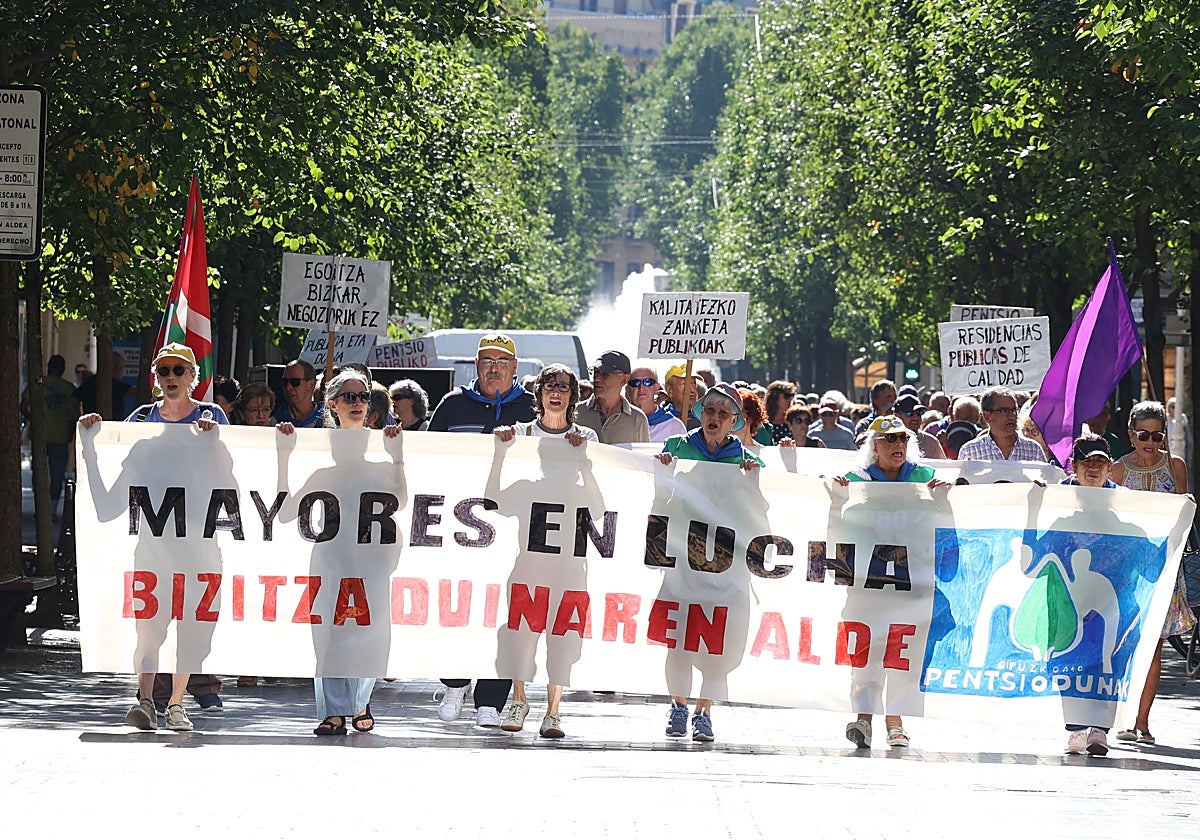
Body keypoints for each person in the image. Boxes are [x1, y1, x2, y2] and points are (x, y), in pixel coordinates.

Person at [79, 342, 228, 732]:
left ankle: (176, 704)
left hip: (199, 549)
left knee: (192, 630)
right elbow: (108, 506)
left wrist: (214, 444)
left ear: (193, 376)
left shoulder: (212, 417)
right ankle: (145, 701)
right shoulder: (140, 421)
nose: (171, 377)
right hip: (152, 547)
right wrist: (90, 448)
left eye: (179, 370)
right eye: (164, 370)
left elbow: (232, 478)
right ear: (155, 377)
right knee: (148, 629)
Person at [278, 368, 401, 735]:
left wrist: (398, 459)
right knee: (328, 632)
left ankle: (360, 700)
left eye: (364, 396)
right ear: (333, 404)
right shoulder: (318, 455)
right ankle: (332, 710)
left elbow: (401, 500)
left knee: (369, 630)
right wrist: (284, 457)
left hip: (371, 556)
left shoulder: (384, 449)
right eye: (349, 397)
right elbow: (285, 512)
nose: (358, 403)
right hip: (330, 556)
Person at [427, 333, 536, 726]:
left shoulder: (530, 407)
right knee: (459, 603)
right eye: (487, 361)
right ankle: (455, 684)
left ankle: (491, 699)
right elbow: (428, 458)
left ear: (514, 367)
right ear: (476, 366)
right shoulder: (452, 404)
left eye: (502, 362)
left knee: (504, 611)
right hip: (460, 527)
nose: (494, 368)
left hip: (511, 530)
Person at [654, 383, 764, 742]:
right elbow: (659, 501)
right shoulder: (677, 448)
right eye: (709, 411)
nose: (714, 418)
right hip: (684, 564)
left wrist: (753, 483)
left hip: (725, 571)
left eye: (723, 413)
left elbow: (760, 514)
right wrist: (662, 474)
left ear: (734, 422)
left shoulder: (748, 460)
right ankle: (678, 706)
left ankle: (704, 711)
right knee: (678, 642)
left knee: (718, 646)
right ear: (700, 413)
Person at [493, 364, 597, 738]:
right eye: (549, 385)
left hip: (571, 562)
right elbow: (493, 501)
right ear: (537, 393)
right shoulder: (520, 435)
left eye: (564, 387)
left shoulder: (586, 437)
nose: (556, 392)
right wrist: (499, 454)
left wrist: (585, 465)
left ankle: (554, 710)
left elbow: (600, 507)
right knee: (521, 634)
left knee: (563, 639)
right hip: (530, 562)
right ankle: (519, 699)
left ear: (573, 395)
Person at [834, 415, 950, 748]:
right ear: (874, 446)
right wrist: (836, 497)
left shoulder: (924, 478)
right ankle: (863, 720)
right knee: (866, 653)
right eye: (890, 439)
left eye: (902, 439)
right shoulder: (855, 479)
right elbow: (838, 524)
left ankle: (895, 722)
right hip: (867, 585)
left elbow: (942, 518)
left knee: (901, 654)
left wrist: (942, 498)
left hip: (907, 585)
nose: (897, 444)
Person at [1110, 400, 1194, 746]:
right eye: (1143, 434)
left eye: (1157, 435)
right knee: (1123, 645)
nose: (1150, 441)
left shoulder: (1175, 466)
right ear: (1131, 435)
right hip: (1125, 572)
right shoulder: (1116, 470)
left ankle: (1141, 722)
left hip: (1162, 570)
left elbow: (1183, 515)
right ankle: (1120, 716)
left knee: (1153, 647)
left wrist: (1187, 505)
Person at [1058, 435, 1121, 756]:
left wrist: (1178, 511)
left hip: (1111, 594)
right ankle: (1076, 730)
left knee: (1109, 661)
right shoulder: (1058, 497)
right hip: (1068, 598)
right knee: (1069, 660)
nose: (1093, 469)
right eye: (1086, 462)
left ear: (1110, 467)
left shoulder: (1124, 501)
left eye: (1100, 462)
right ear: (1074, 466)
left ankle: (1100, 729)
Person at [20, 354, 79, 520]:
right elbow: (74, 414)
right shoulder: (69, 389)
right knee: (57, 475)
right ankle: (51, 511)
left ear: (48, 366)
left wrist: (34, 419)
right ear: (63, 369)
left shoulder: (37, 385)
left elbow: (23, 407)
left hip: (40, 435)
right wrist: (70, 430)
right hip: (60, 437)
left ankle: (40, 508)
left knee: (38, 473)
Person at [576, 350, 649, 445]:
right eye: (595, 372)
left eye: (605, 374)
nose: (597, 378)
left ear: (624, 379)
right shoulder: (576, 412)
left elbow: (643, 453)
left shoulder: (637, 419)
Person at [957, 386, 1048, 462]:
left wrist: (1050, 473)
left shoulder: (1033, 449)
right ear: (987, 416)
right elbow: (961, 479)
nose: (1011, 415)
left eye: (1014, 410)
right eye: (1004, 411)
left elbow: (1045, 477)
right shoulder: (970, 451)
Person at [626, 365, 685, 443]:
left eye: (648, 382)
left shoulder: (674, 426)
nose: (641, 388)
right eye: (635, 383)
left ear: (656, 387)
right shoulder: (618, 422)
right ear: (627, 390)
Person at [73, 352, 131, 420]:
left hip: (92, 423)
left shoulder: (90, 381)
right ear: (117, 366)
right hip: (108, 424)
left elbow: (72, 400)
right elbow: (134, 392)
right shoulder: (112, 383)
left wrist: (77, 417)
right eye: (122, 366)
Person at [271, 359, 324, 428]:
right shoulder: (274, 422)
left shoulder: (327, 420)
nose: (288, 387)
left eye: (295, 381)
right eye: (285, 382)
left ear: (311, 385)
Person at [895, 394, 945, 459]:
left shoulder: (931, 443)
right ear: (897, 416)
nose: (916, 417)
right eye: (909, 413)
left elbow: (942, 464)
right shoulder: (887, 441)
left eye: (919, 412)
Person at [663, 363, 703, 428]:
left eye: (694, 383)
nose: (693, 390)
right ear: (669, 390)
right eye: (685, 384)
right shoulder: (661, 420)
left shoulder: (705, 418)